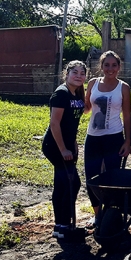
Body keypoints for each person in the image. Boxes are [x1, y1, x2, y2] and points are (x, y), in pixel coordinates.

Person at [83, 51, 131, 229]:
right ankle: (98, 215)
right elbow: (87, 109)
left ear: (119, 67)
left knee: (112, 178)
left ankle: (112, 215)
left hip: (114, 137)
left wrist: (127, 141)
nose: (110, 69)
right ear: (101, 66)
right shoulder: (92, 83)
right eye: (106, 65)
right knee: (91, 177)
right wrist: (79, 100)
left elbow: (127, 116)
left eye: (114, 65)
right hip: (93, 138)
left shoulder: (124, 87)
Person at [41, 60, 88, 241]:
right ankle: (64, 225)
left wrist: (73, 144)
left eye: (82, 73)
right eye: (74, 72)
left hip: (67, 146)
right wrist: (63, 149)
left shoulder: (76, 94)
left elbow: (71, 125)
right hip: (55, 146)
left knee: (63, 184)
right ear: (66, 74)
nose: (78, 76)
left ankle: (61, 228)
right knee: (72, 183)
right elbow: (55, 124)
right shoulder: (61, 94)